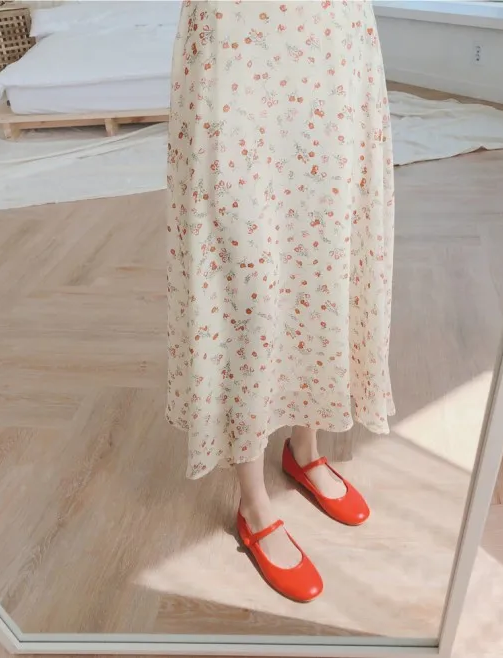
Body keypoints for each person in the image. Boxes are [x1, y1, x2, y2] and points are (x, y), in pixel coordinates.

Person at [166, 0, 394, 602]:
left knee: (322, 252)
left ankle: (304, 447)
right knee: (243, 272)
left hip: (331, 34)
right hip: (236, 33)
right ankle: (252, 500)